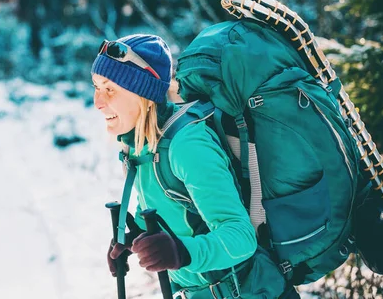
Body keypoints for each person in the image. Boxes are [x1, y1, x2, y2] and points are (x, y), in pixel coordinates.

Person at [92, 34, 298, 298]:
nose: (98, 102)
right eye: (97, 87)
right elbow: (176, 217)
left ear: (141, 93)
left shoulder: (187, 145)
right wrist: (135, 239)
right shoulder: (139, 146)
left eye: (110, 89)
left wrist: (181, 253)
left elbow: (241, 237)